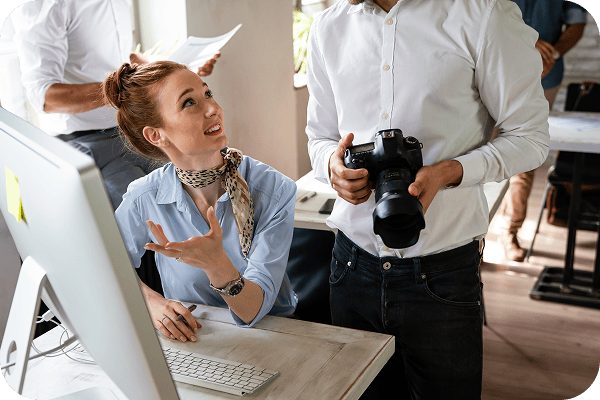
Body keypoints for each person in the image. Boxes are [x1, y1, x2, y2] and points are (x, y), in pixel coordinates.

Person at [305, 0, 549, 399]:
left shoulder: (484, 15)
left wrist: (449, 172)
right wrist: (331, 166)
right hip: (350, 266)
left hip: (442, 273)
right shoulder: (328, 27)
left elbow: (530, 138)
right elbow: (320, 137)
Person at [103, 61, 298, 343]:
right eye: (189, 103)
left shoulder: (274, 190)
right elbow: (104, 266)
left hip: (275, 337)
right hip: (192, 336)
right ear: (156, 135)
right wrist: (150, 302)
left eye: (207, 94)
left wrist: (217, 265)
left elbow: (253, 311)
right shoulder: (143, 197)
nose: (213, 108)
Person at [10, 0, 219, 210]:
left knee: (200, 201)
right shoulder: (46, 5)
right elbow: (45, 97)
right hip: (86, 142)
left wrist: (179, 69)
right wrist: (122, 88)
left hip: (132, 130)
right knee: (152, 216)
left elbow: (124, 58)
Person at [499, 0, 587, 262]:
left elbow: (577, 22)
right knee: (477, 149)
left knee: (523, 153)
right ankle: (473, 239)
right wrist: (524, 41)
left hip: (544, 75)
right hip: (495, 70)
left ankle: (510, 231)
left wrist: (552, 54)